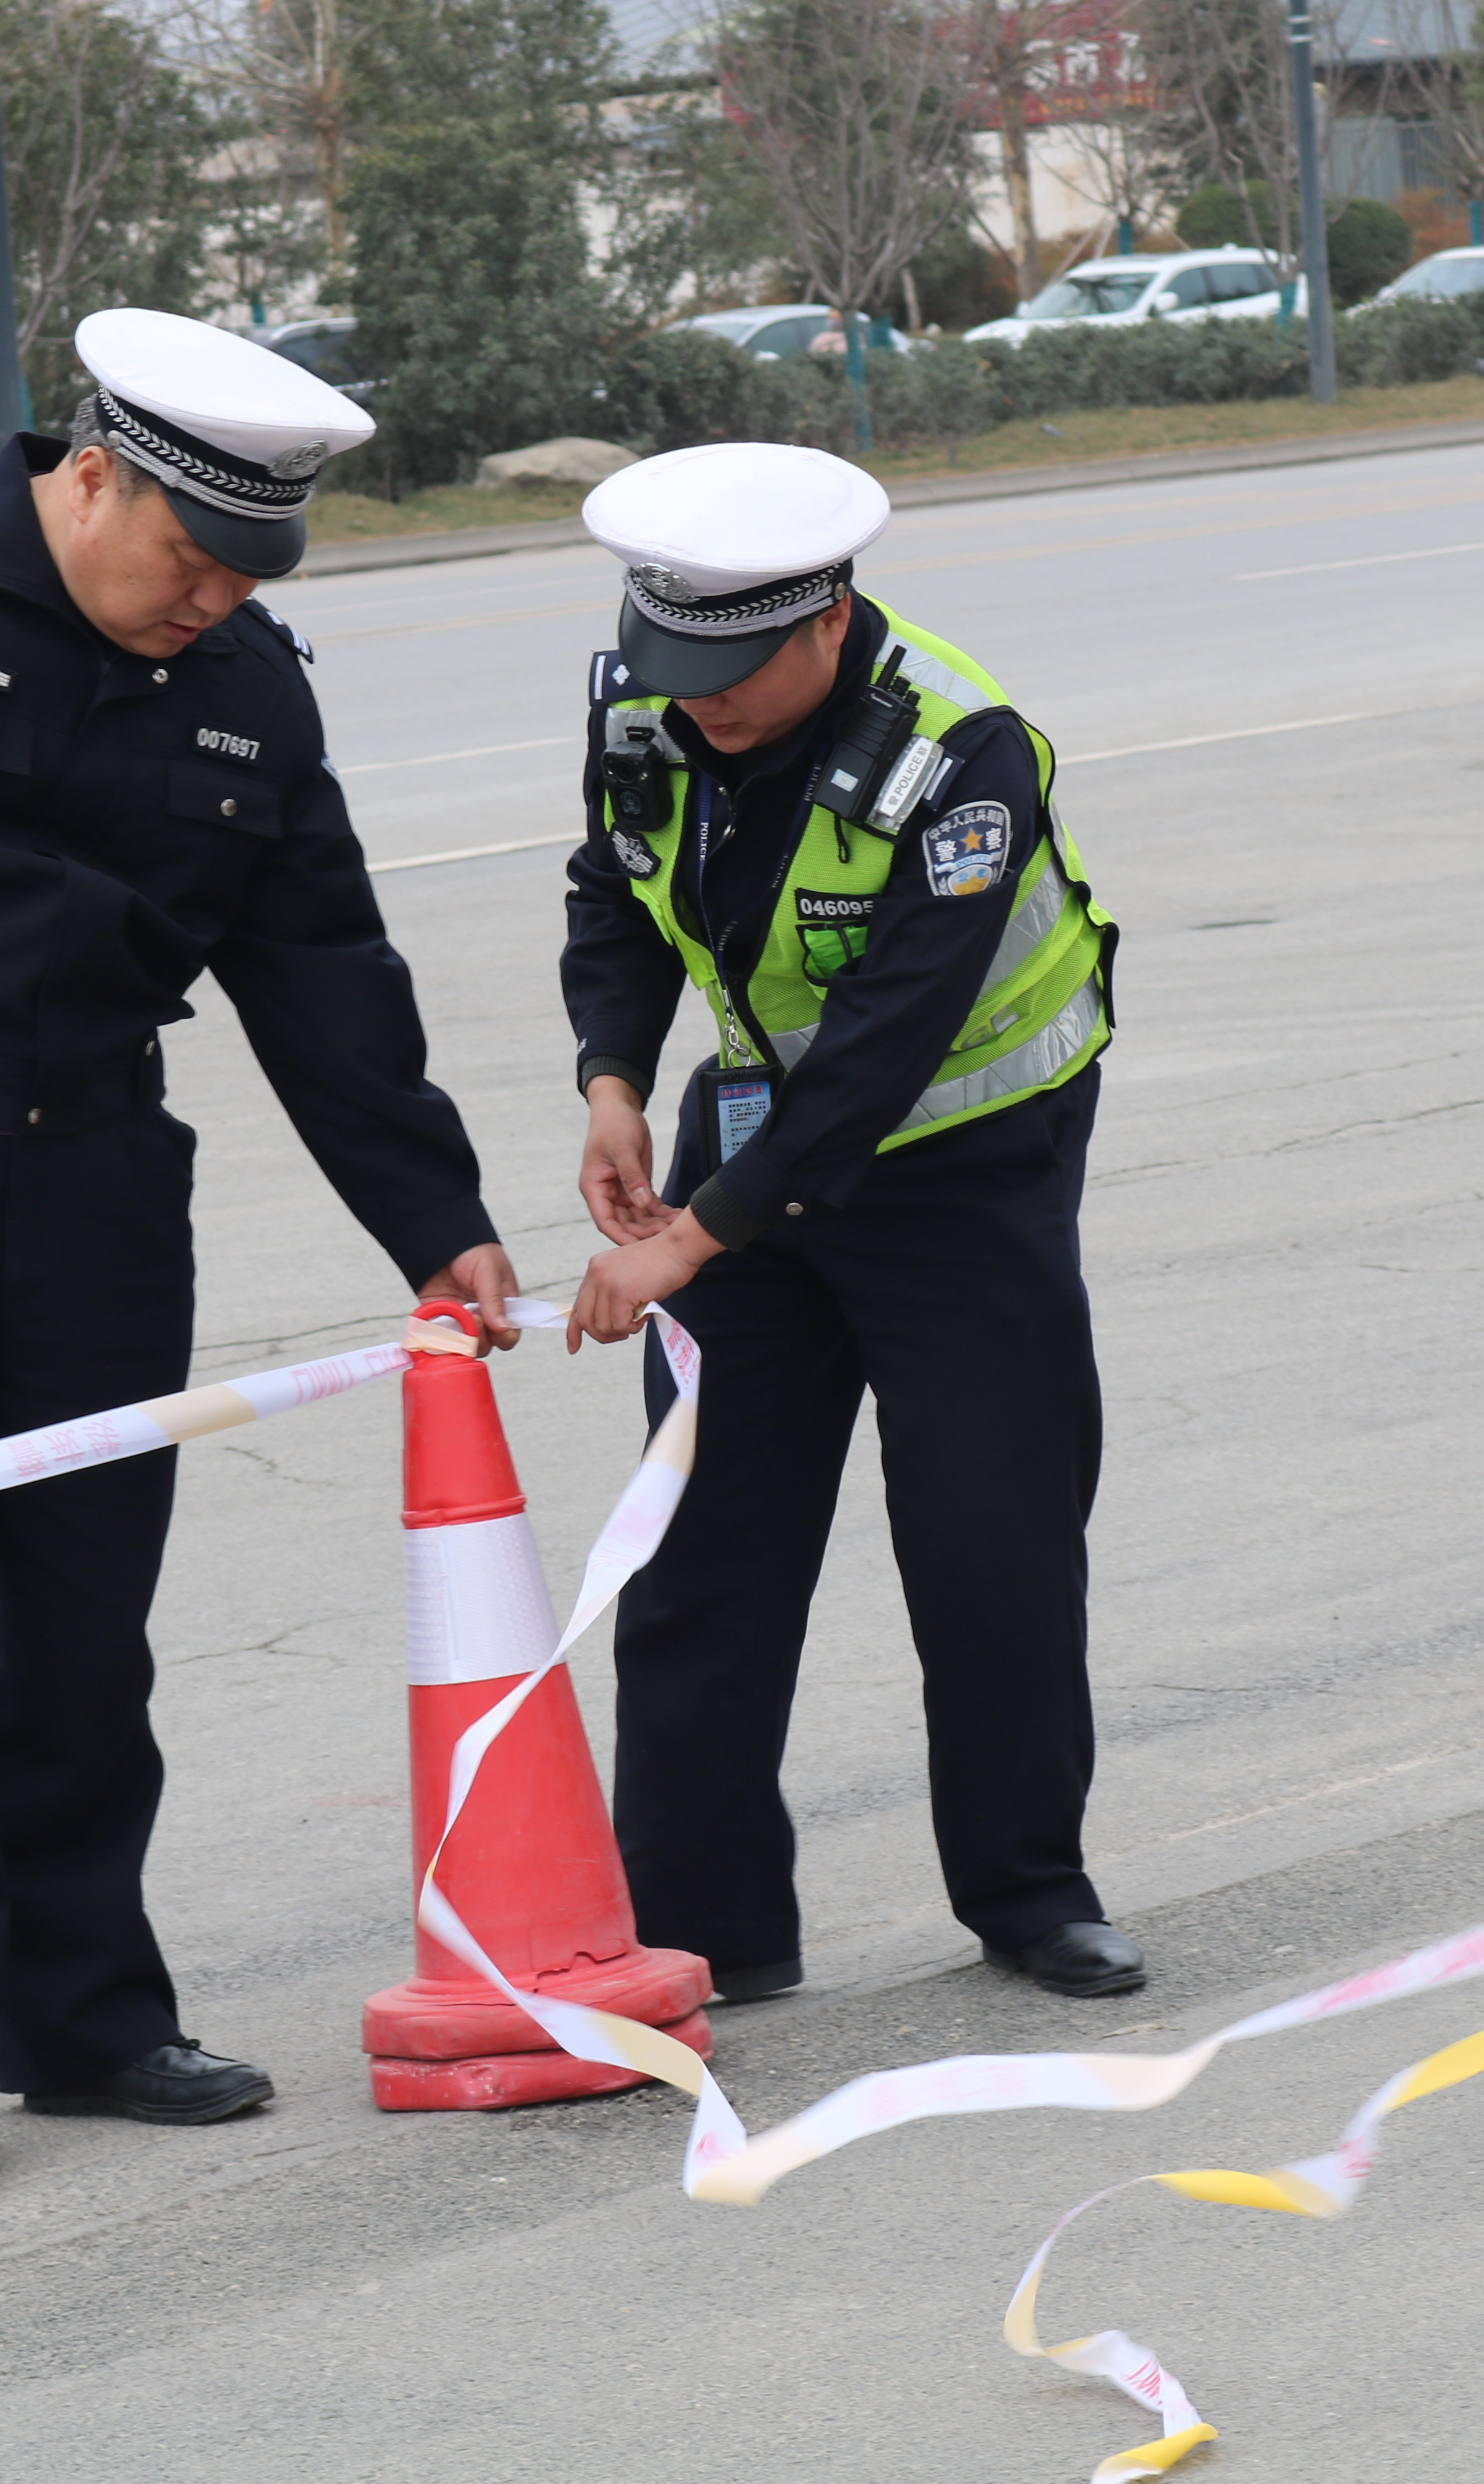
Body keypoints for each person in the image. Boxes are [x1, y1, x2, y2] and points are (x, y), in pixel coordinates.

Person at [0, 309, 520, 2210]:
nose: (205, 599)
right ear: (93, 476)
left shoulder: (245, 682)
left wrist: (437, 1225)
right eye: (184, 556)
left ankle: (89, 2018)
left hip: (99, 1188)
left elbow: (324, 975)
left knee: (75, 1630)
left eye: (243, 574)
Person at [556, 442, 1136, 2005]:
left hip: (965, 1164)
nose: (699, 703)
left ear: (832, 620)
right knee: (701, 1547)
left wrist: (691, 1238)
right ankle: (705, 1922)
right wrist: (614, 1082)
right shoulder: (646, 699)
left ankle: (1032, 1893)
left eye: (734, 670)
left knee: (988, 1538)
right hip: (751, 1136)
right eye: (677, 665)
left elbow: (886, 1037)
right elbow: (613, 890)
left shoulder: (963, 752)